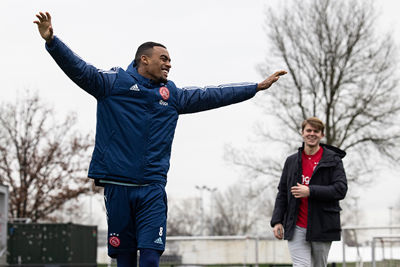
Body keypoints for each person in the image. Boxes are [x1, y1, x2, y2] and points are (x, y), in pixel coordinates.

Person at [34, 11, 286, 267]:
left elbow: (211, 94)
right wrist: (52, 42)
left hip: (152, 187)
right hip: (118, 185)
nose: (169, 64)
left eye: (170, 60)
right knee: (124, 257)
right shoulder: (112, 83)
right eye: (163, 59)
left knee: (151, 256)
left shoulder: (171, 95)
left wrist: (254, 87)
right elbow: (79, 69)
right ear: (144, 59)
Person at [270, 117, 348, 267]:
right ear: (302, 133)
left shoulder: (333, 160)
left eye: (316, 131)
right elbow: (283, 193)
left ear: (322, 135)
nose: (312, 134)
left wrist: (310, 191)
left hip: (322, 225)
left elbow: (341, 189)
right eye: (308, 130)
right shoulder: (291, 161)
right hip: (296, 225)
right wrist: (277, 221)